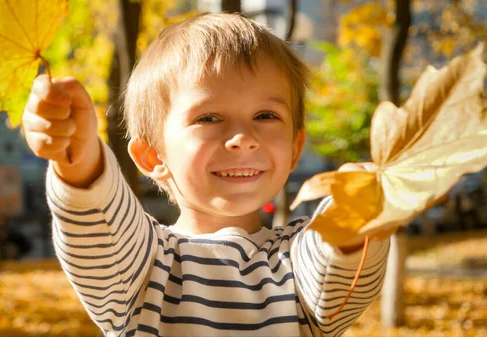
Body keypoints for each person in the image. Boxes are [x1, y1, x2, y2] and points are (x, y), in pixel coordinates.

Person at [22, 13, 390, 337]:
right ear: (152, 155)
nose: (244, 139)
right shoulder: (144, 265)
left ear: (295, 149)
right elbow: (101, 227)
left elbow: (340, 277)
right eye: (208, 118)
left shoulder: (296, 258)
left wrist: (354, 212)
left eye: (266, 116)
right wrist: (79, 156)